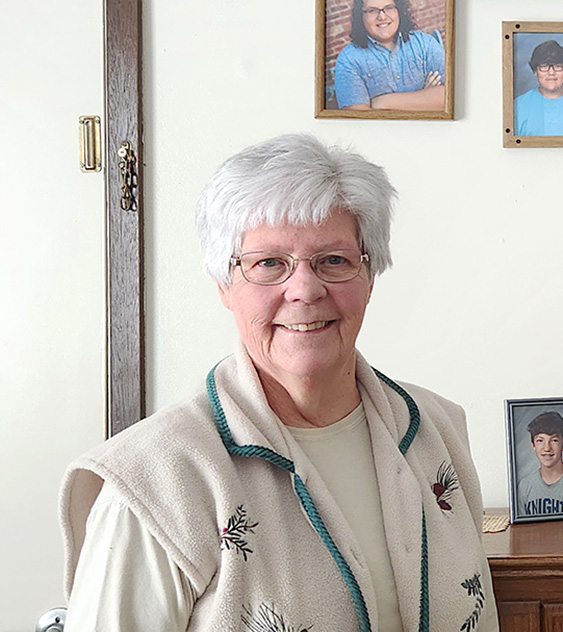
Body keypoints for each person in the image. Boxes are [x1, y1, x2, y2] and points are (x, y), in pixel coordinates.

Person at [60, 134, 497, 632]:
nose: (305, 289)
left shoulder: (437, 430)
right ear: (225, 284)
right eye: (269, 263)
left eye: (334, 260)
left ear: (369, 277)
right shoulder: (152, 481)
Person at [332, 0, 445, 112]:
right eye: (372, 10)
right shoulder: (349, 60)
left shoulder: (425, 44)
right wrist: (425, 100)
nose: (382, 16)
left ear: (399, 11)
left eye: (388, 8)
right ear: (360, 17)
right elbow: (359, 122)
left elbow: (451, 97)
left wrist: (382, 103)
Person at [516, 411, 563, 516]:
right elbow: (521, 529)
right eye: (540, 441)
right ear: (533, 445)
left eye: (554, 440)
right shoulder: (524, 486)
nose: (547, 448)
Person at [514, 39, 563, 136]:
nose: (551, 72)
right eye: (544, 66)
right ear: (535, 71)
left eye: (558, 66)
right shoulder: (518, 106)